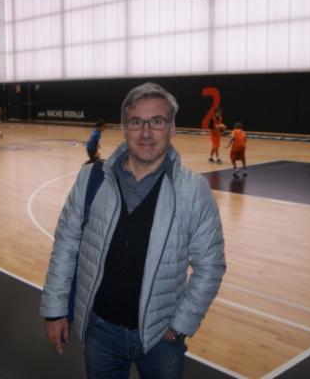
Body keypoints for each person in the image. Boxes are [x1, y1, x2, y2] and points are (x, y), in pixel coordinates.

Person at [41, 82, 226, 379]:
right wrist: (55, 309)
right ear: (125, 128)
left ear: (172, 128)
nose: (146, 132)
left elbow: (210, 266)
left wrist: (180, 327)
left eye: (157, 121)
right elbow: (66, 245)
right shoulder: (92, 179)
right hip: (99, 331)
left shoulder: (193, 190)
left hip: (161, 340)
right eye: (137, 122)